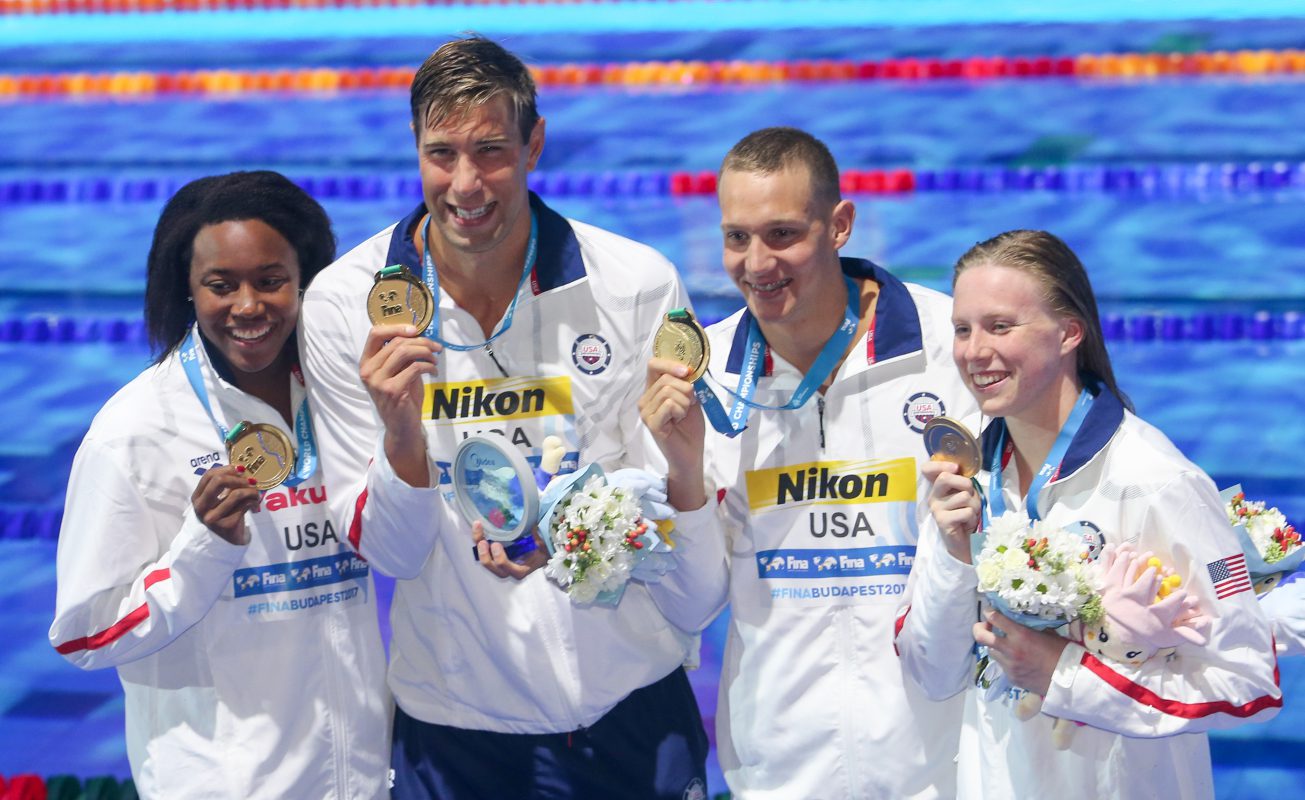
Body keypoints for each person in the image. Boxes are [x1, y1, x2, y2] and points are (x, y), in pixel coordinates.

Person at [298, 35, 727, 799]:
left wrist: (568, 533)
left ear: (533, 143)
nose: (466, 184)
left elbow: (676, 509)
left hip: (629, 711)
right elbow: (391, 555)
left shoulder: (632, 284)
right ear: (415, 147)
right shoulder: (344, 303)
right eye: (442, 153)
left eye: (491, 150)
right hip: (457, 732)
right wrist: (399, 432)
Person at [640, 126, 976, 798]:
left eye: (782, 235)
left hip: (940, 764)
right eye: (737, 237)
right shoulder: (701, 373)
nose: (756, 263)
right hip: (780, 767)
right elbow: (692, 606)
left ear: (839, 224)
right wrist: (682, 470)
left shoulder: (947, 350)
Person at [894, 229, 1282, 799]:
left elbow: (1249, 686)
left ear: (1069, 332)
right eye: (962, 329)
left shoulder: (1153, 480)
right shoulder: (966, 472)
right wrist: (955, 558)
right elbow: (933, 674)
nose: (974, 351)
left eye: (1001, 326)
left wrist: (1066, 676)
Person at [49, 171, 390, 798]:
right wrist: (202, 546)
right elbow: (83, 634)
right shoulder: (136, 432)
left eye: (269, 280)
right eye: (220, 284)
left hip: (357, 776)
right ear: (186, 288)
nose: (248, 305)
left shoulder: (342, 400)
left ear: (306, 279)